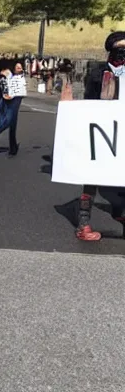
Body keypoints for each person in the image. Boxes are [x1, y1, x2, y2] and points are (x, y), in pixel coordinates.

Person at [68, 32, 125, 241]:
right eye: (120, 47)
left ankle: (120, 213)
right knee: (92, 178)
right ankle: (83, 224)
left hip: (123, 133)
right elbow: (89, 103)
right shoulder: (98, 72)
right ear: (111, 49)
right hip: (101, 132)